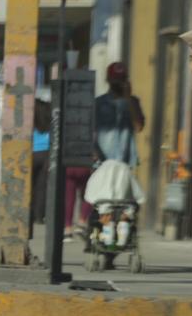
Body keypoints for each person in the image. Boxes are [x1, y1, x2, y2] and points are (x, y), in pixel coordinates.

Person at [69, 62, 144, 238]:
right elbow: (88, 131)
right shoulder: (98, 103)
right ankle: (101, 236)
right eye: (115, 80)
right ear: (108, 81)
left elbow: (138, 127)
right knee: (103, 203)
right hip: (101, 161)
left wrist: (128, 99)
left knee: (125, 202)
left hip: (125, 162)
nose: (118, 84)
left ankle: (121, 236)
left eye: (121, 80)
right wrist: (93, 151)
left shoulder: (133, 102)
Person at [30, 93, 51, 233]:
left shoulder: (31, 119)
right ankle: (39, 216)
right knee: (42, 187)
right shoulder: (48, 119)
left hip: (31, 153)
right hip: (45, 154)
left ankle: (29, 213)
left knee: (30, 186)